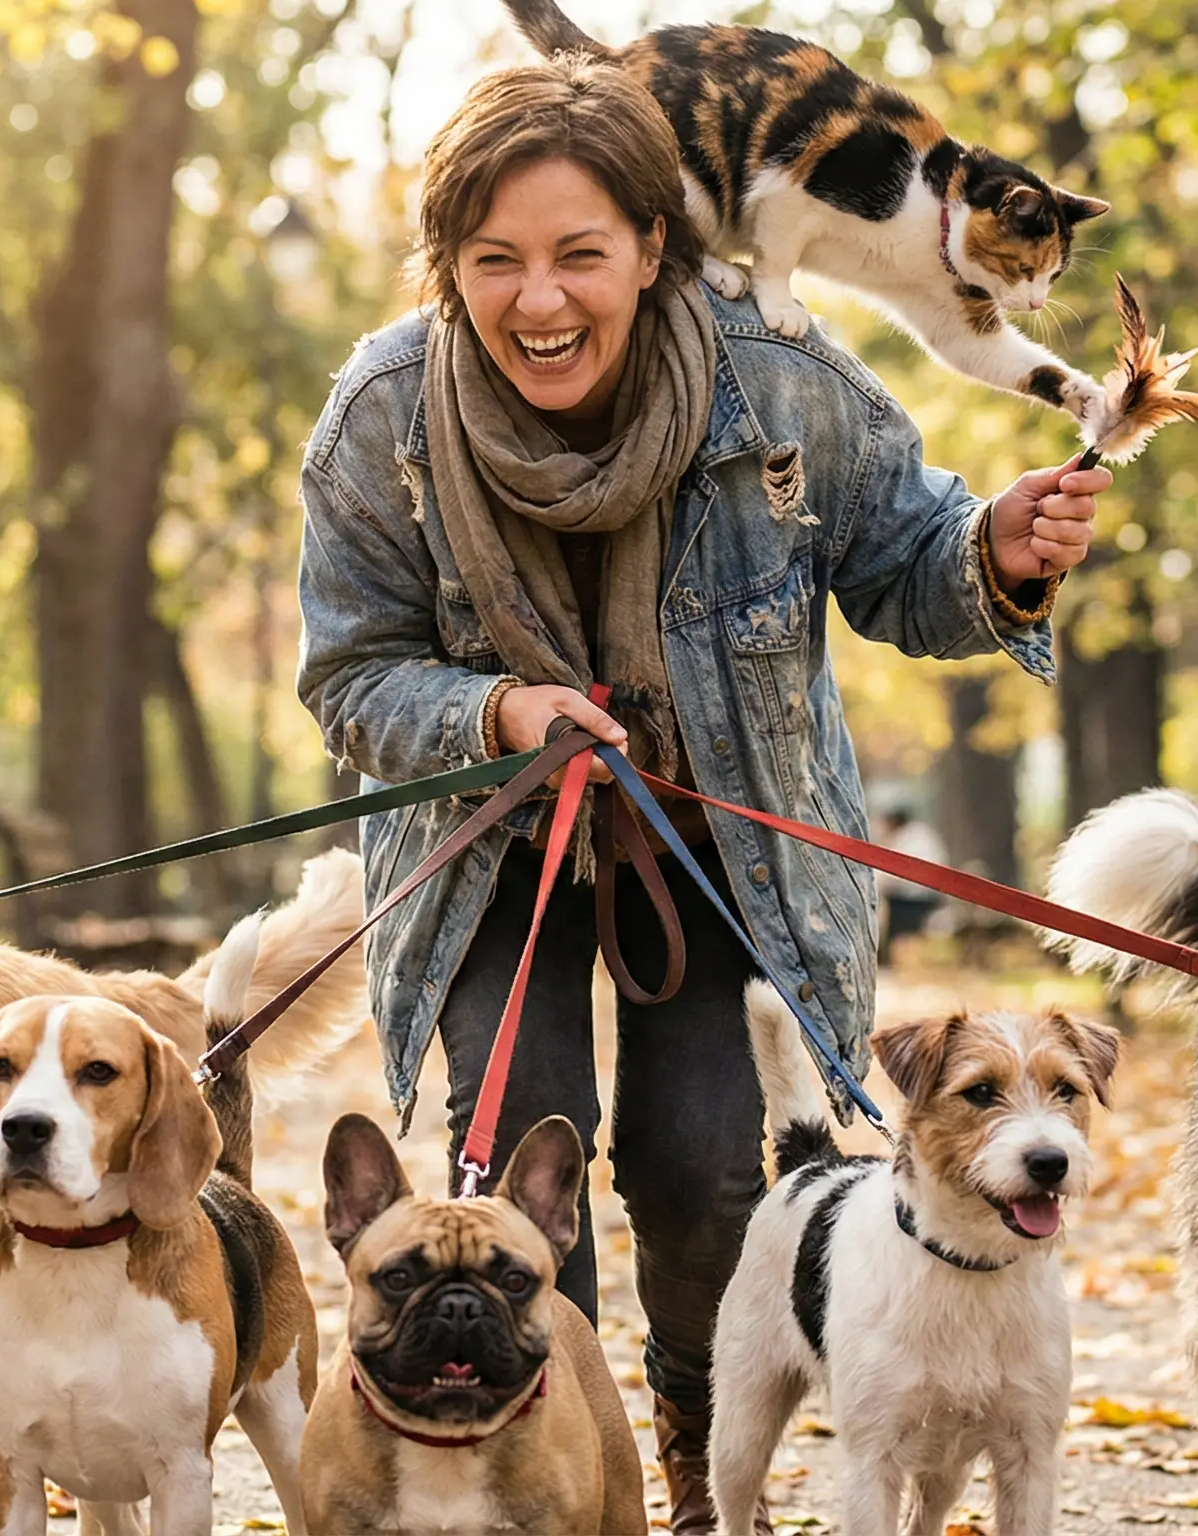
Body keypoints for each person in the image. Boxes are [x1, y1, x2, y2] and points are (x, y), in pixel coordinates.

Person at [293, 59, 1107, 1533]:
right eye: (496, 262)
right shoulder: (383, 417)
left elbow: (908, 562)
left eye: (579, 255)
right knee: (522, 1144)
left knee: (699, 1168)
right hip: (490, 854)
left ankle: (678, 1465)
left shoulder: (775, 378)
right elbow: (348, 675)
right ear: (448, 269)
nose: (539, 299)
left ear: (655, 245)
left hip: (719, 841)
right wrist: (494, 709)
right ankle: (556, 1481)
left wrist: (1000, 552)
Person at [873, 804, 951, 963]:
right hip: (925, 894)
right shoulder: (921, 834)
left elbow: (893, 872)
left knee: (899, 930)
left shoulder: (908, 838)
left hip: (913, 897)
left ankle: (898, 958)